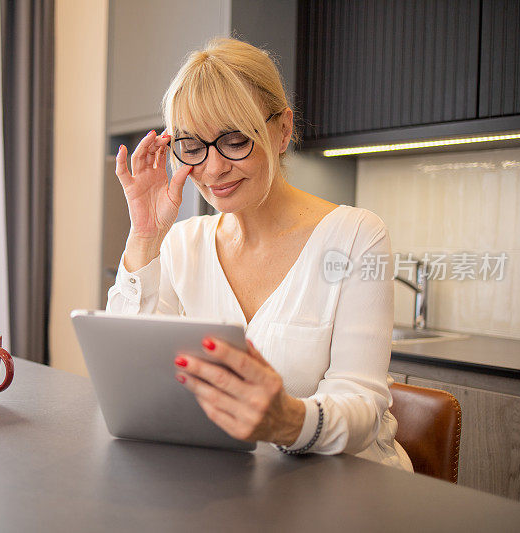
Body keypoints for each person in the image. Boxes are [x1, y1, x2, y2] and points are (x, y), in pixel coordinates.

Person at [106, 37, 412, 471]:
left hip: (347, 487)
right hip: (234, 483)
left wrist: (286, 420)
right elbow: (132, 378)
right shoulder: (181, 243)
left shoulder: (355, 236)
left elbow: (362, 407)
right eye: (193, 145)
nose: (213, 169)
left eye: (234, 139)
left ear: (283, 130)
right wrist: (145, 235)